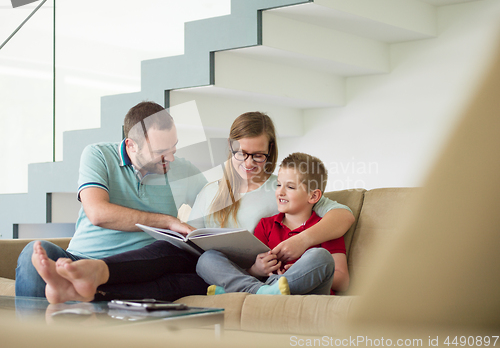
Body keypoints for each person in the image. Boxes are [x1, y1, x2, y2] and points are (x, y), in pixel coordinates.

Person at [31, 111, 354, 303]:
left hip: (243, 274)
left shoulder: (282, 190)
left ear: (270, 153)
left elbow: (342, 215)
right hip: (207, 265)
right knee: (173, 254)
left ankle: (95, 279)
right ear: (230, 149)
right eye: (242, 153)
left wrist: (300, 241)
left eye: (259, 155)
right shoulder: (210, 187)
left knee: (174, 276)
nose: (250, 162)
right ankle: (90, 285)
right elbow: (195, 237)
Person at [17, 101, 209, 299]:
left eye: (173, 147)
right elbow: (98, 213)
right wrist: (168, 221)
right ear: (131, 145)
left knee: (188, 270)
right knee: (32, 253)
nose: (170, 158)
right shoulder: (98, 155)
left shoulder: (184, 171)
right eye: (160, 152)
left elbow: (217, 208)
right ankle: (36, 329)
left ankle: (82, 292)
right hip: (79, 259)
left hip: (137, 268)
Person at [196, 152, 349, 296]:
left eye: (290, 187)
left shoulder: (325, 229)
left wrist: (300, 272)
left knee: (320, 256)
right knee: (206, 259)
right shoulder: (265, 225)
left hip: (306, 290)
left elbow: (343, 281)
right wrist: (256, 269)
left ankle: (244, 291)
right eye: (278, 185)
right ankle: (263, 292)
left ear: (313, 196)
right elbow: (253, 270)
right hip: (264, 284)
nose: (280, 192)